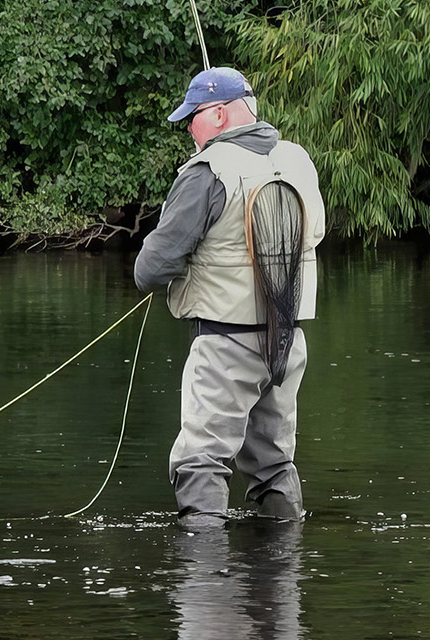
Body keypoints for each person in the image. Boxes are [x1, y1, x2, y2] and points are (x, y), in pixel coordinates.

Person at [134, 67, 327, 528]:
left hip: (225, 343)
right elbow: (314, 233)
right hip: (288, 343)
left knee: (200, 459)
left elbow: (151, 269)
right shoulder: (297, 159)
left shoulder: (207, 171)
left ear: (218, 114)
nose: (188, 129)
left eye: (192, 117)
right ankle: (282, 572)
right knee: (274, 461)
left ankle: (203, 576)